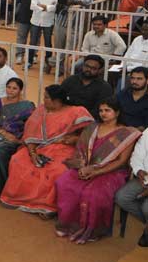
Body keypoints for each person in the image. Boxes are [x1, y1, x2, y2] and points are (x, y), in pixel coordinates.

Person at [0, 84, 95, 216]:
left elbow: (90, 133)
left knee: (56, 169)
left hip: (65, 148)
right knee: (18, 160)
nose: (44, 100)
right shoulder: (41, 110)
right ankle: (18, 198)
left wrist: (74, 139)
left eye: (46, 98)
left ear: (57, 101)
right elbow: (30, 135)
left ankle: (46, 205)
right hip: (38, 147)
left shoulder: (77, 111)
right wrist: (33, 153)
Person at [55, 98, 140, 243]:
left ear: (117, 112)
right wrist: (83, 167)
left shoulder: (126, 134)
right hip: (86, 166)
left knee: (94, 194)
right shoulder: (92, 129)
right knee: (64, 183)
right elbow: (81, 151)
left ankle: (92, 230)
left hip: (112, 171)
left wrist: (95, 171)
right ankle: (68, 225)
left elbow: (121, 161)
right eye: (101, 111)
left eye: (108, 110)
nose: (103, 114)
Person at [114, 123, 148, 247]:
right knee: (122, 197)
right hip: (144, 177)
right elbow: (137, 155)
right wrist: (138, 169)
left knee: (146, 207)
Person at [28, 0, 59, 69]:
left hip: (48, 22)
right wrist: (45, 8)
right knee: (32, 42)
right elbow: (32, 6)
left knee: (48, 43)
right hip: (35, 20)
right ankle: (29, 61)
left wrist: (43, 6)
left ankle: (48, 63)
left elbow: (55, 8)